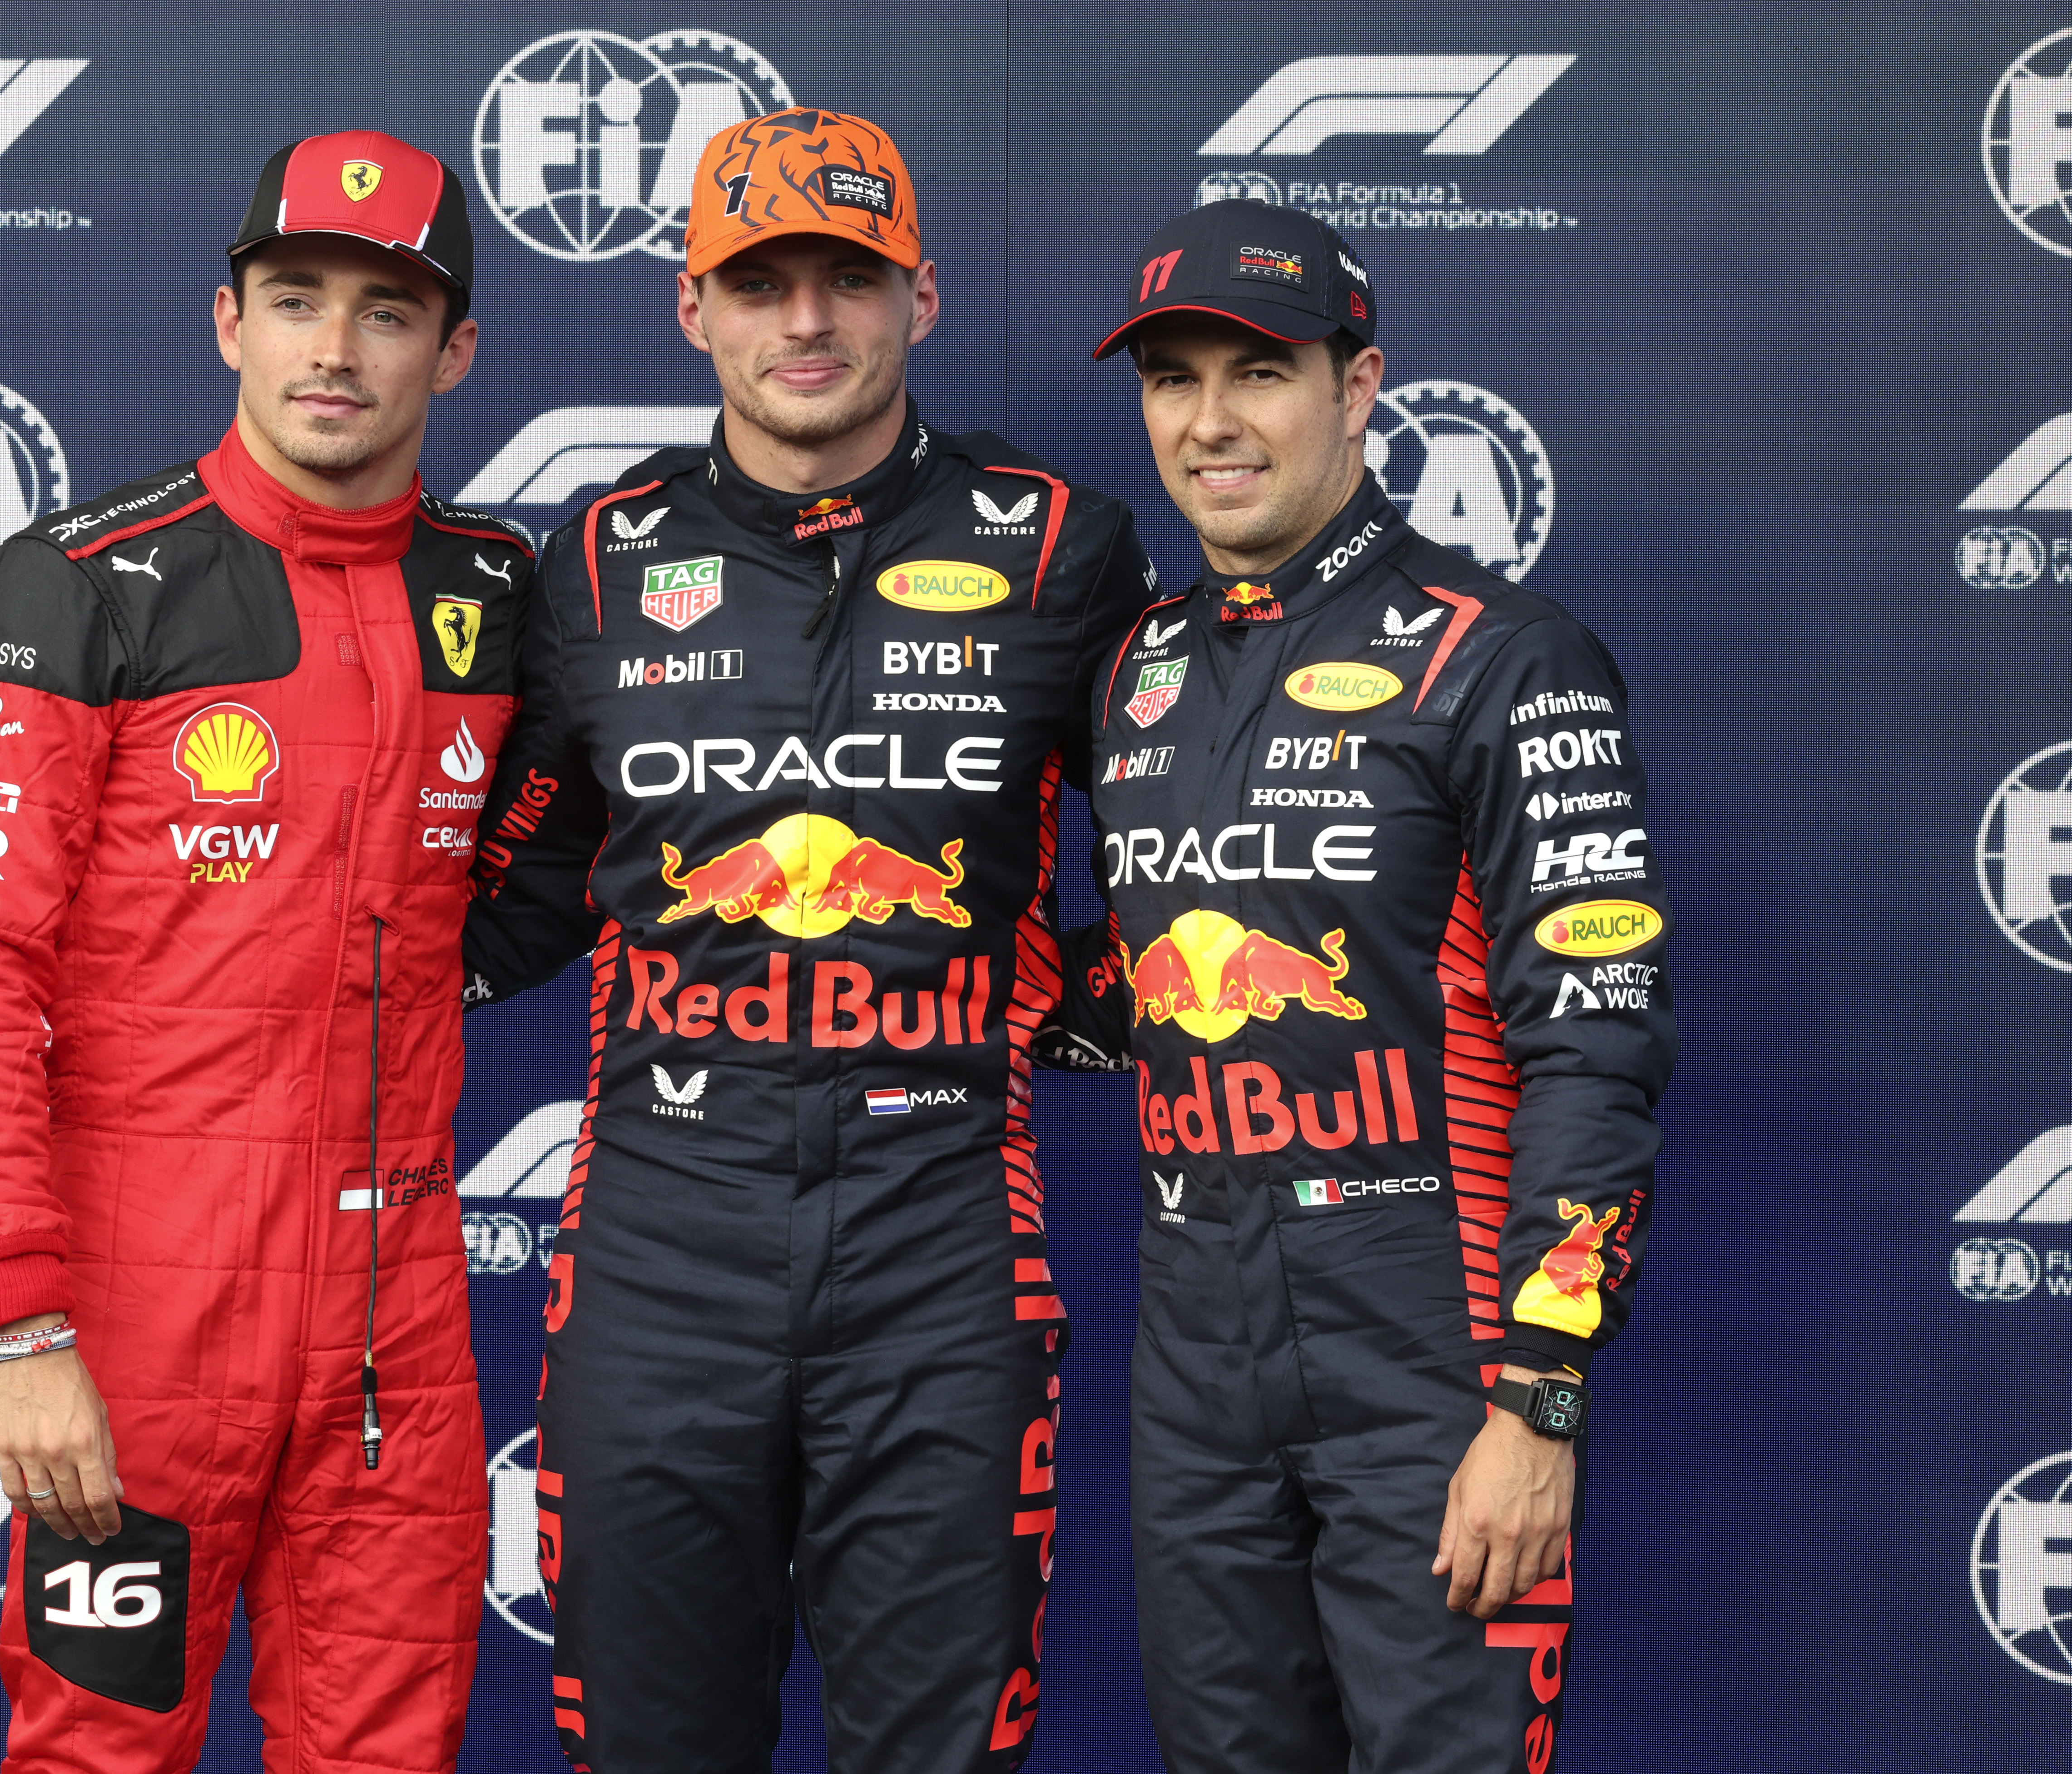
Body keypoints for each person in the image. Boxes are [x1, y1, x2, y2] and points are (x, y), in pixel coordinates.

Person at [460, 107, 1159, 1773]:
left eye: (847, 277)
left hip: (941, 1250)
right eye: (758, 280)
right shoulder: (593, 560)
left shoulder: (1064, 545)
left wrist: (1059, 1006)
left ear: (919, 296)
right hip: (654, 1245)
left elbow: (1175, 853)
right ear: (689, 307)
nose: (806, 323)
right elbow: (526, 879)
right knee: (645, 1742)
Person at [0, 130, 535, 1772]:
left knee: (388, 1750)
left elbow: (566, 860)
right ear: (226, 320)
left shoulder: (501, 596)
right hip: (138, 1322)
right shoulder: (72, 588)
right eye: (297, 298)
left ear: (452, 350)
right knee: (97, 1754)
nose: (336, 347)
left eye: (388, 312)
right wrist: (26, 1329)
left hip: (396, 1324)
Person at [1041, 199, 1677, 1771]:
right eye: (1171, 379)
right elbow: (1154, 981)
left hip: (1432, 1355)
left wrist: (1536, 1405)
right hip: (1195, 1363)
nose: (1208, 422)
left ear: (1358, 382)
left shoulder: (1504, 656)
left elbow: (1593, 1050)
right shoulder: (1138, 670)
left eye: (1256, 372)